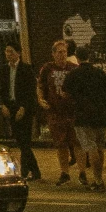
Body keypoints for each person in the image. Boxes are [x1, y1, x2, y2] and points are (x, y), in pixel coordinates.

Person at [67, 44, 106, 190]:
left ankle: (98, 180)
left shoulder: (74, 74)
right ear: (89, 56)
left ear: (77, 57)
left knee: (91, 147)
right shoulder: (100, 73)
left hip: (82, 116)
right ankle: (99, 178)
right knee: (100, 147)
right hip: (100, 115)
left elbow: (65, 92)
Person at [39, 37, 79, 184]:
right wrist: (41, 100)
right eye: (59, 52)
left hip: (72, 111)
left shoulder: (73, 68)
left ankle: (82, 172)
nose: (62, 54)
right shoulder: (47, 68)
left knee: (76, 142)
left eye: (65, 52)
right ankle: (64, 172)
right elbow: (40, 86)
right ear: (53, 54)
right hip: (55, 111)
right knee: (60, 143)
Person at [1, 43, 41, 180]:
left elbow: (30, 91)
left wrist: (23, 108)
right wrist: (3, 105)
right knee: (21, 141)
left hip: (24, 108)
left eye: (11, 51)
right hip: (11, 106)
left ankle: (25, 171)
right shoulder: (4, 69)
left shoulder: (26, 69)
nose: (8, 54)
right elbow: (1, 89)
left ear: (18, 53)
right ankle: (35, 171)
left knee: (25, 141)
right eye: (6, 51)